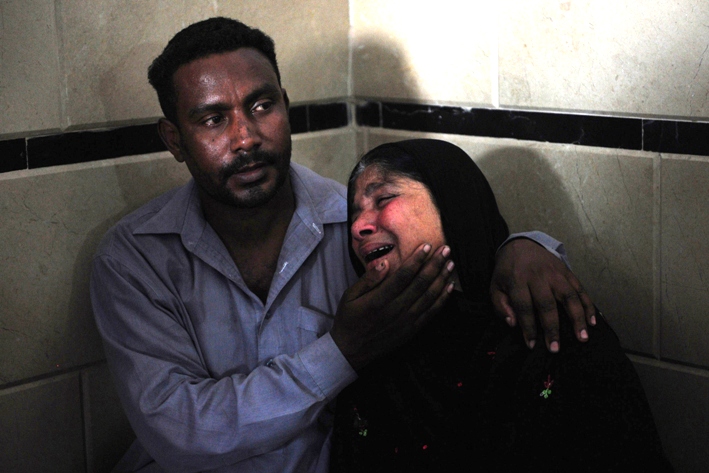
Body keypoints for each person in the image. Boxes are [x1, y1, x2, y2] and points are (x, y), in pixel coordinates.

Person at [91, 17, 595, 473]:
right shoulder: (135, 258)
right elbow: (180, 431)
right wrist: (342, 351)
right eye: (213, 119)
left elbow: (454, 271)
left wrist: (522, 247)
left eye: (261, 106)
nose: (245, 138)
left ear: (286, 108)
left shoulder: (352, 226)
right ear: (174, 139)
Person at [331, 139, 672, 473]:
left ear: (453, 204)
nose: (360, 227)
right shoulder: (372, 347)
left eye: (384, 198)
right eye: (354, 213)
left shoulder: (548, 327)